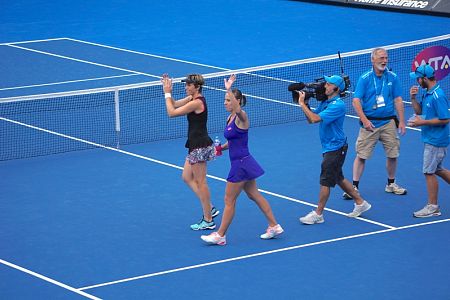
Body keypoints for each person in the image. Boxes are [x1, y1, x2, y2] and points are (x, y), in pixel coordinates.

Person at [201, 74, 283, 245]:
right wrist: (219, 148)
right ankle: (274, 225)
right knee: (255, 195)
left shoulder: (241, 116)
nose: (225, 102)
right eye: (225, 99)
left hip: (241, 165)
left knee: (228, 200)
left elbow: (238, 110)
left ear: (237, 101)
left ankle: (220, 235)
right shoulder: (229, 118)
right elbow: (232, 142)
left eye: (228, 100)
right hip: (243, 162)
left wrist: (229, 88)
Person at [298, 75, 372, 224]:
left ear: (336, 89)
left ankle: (318, 214)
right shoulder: (326, 102)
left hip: (336, 148)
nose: (325, 85)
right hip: (330, 146)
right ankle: (360, 203)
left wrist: (301, 104)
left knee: (325, 180)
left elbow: (314, 119)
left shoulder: (337, 105)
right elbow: (310, 119)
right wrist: (305, 102)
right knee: (337, 177)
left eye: (329, 84)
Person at [343, 47, 407, 200]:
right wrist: (364, 120)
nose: (384, 61)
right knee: (361, 155)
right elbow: (356, 100)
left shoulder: (392, 77)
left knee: (393, 154)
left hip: (389, 122)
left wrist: (402, 121)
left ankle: (391, 184)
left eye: (386, 58)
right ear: (373, 60)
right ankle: (354, 188)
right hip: (369, 124)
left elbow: (398, 99)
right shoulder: (365, 78)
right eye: (381, 58)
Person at [161, 73, 219, 230]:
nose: (186, 87)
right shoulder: (192, 99)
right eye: (185, 84)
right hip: (195, 144)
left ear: (197, 87)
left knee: (201, 182)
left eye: (188, 85)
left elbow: (171, 113)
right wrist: (168, 91)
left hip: (199, 146)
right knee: (186, 177)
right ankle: (210, 208)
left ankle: (208, 220)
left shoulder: (197, 102)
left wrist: (166, 93)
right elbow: (173, 103)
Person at [408, 64, 449, 217]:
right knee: (437, 169)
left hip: (436, 140)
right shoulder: (427, 93)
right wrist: (413, 99)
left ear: (425, 78)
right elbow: (420, 112)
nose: (417, 81)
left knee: (428, 172)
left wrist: (422, 123)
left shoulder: (438, 96)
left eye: (418, 78)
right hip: (431, 138)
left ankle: (433, 207)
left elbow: (445, 119)